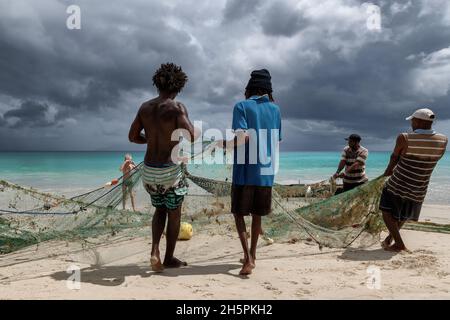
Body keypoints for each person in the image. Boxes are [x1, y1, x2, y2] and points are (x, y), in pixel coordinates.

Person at [128, 63, 199, 272]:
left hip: (149, 171)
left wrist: (150, 139)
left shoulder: (144, 107)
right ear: (178, 86)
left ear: (157, 84)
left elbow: (132, 137)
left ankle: (154, 251)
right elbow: (192, 136)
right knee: (174, 212)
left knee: (159, 209)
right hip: (169, 171)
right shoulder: (177, 108)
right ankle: (168, 258)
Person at [218, 69, 282, 276]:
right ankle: (253, 255)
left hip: (245, 171)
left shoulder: (241, 106)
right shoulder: (276, 110)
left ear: (249, 89)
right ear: (268, 90)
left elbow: (243, 137)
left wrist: (225, 144)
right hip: (266, 171)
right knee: (257, 216)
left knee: (239, 213)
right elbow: (276, 139)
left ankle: (247, 258)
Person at [379, 108, 447, 252]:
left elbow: (395, 158)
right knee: (404, 213)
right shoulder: (443, 140)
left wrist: (387, 172)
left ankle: (398, 244)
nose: (412, 123)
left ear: (419, 121)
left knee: (386, 211)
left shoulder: (405, 137)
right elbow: (434, 160)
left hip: (398, 183)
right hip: (420, 185)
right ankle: (389, 239)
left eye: (413, 120)